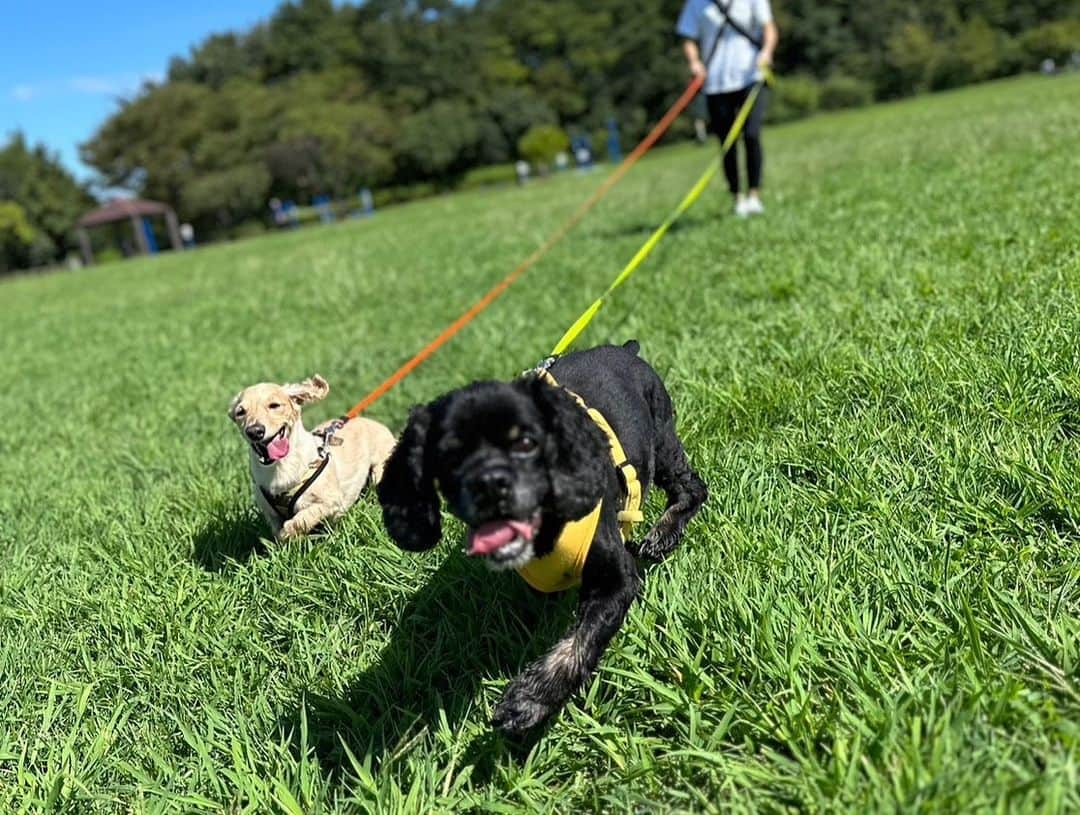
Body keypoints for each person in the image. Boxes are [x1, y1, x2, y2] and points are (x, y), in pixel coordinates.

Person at [677, 0, 778, 217]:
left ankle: (754, 194)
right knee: (727, 142)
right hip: (715, 82)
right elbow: (688, 37)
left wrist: (767, 52)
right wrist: (694, 62)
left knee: (751, 135)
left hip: (751, 75)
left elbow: (768, 27)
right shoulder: (696, 3)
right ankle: (737, 197)